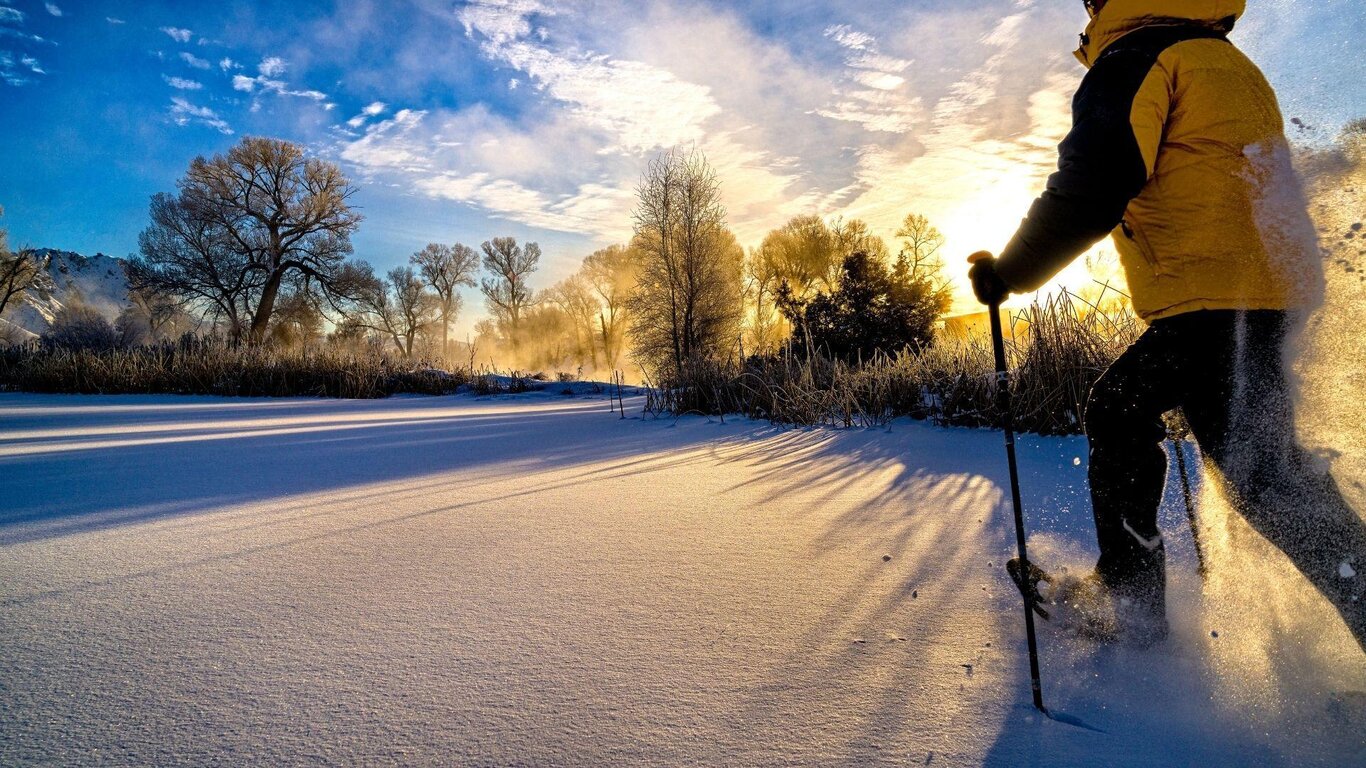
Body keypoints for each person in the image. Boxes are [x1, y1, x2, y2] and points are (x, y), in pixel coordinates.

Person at [967, 0, 1365, 649]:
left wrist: (1010, 272)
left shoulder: (1138, 55)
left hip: (1212, 302)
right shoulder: (1224, 61)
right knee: (1270, 481)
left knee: (1136, 419)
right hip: (1267, 294)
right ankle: (1134, 596)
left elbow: (1095, 184)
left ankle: (1131, 605)